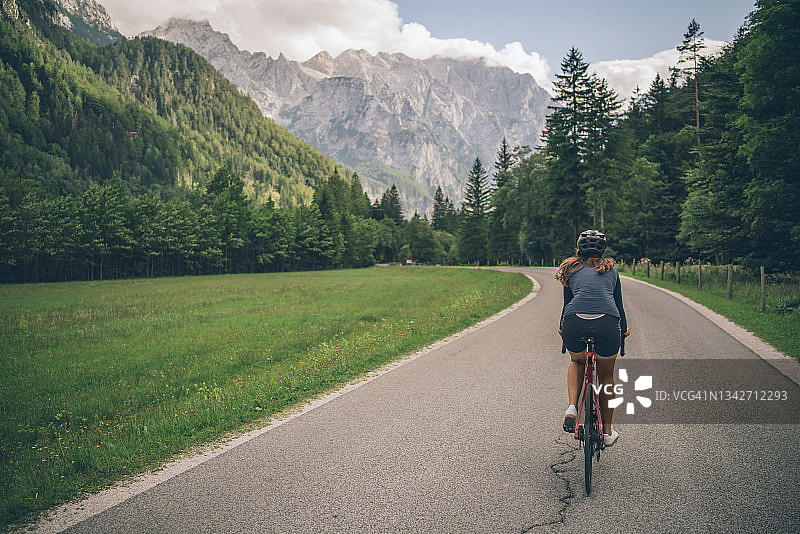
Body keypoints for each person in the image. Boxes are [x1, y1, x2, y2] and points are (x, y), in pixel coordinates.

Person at [555, 230, 629, 447]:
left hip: (574, 322)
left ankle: (571, 406)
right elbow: (619, 304)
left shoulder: (570, 268)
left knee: (577, 360)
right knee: (606, 377)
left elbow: (566, 303)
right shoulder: (611, 269)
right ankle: (607, 433)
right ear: (603, 251)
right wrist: (623, 329)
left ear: (579, 249)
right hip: (607, 323)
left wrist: (562, 328)